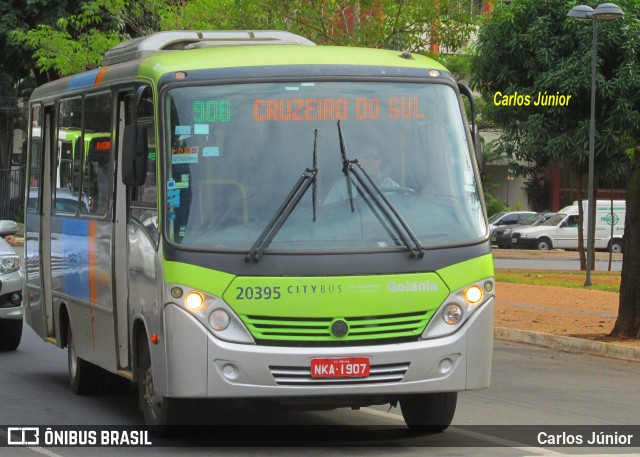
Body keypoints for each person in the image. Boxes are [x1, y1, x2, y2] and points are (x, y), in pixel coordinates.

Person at [324, 143, 400, 204]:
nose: (370, 159)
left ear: (380, 160)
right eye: (366, 156)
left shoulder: (394, 188)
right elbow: (329, 214)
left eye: (375, 156)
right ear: (357, 158)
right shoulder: (341, 187)